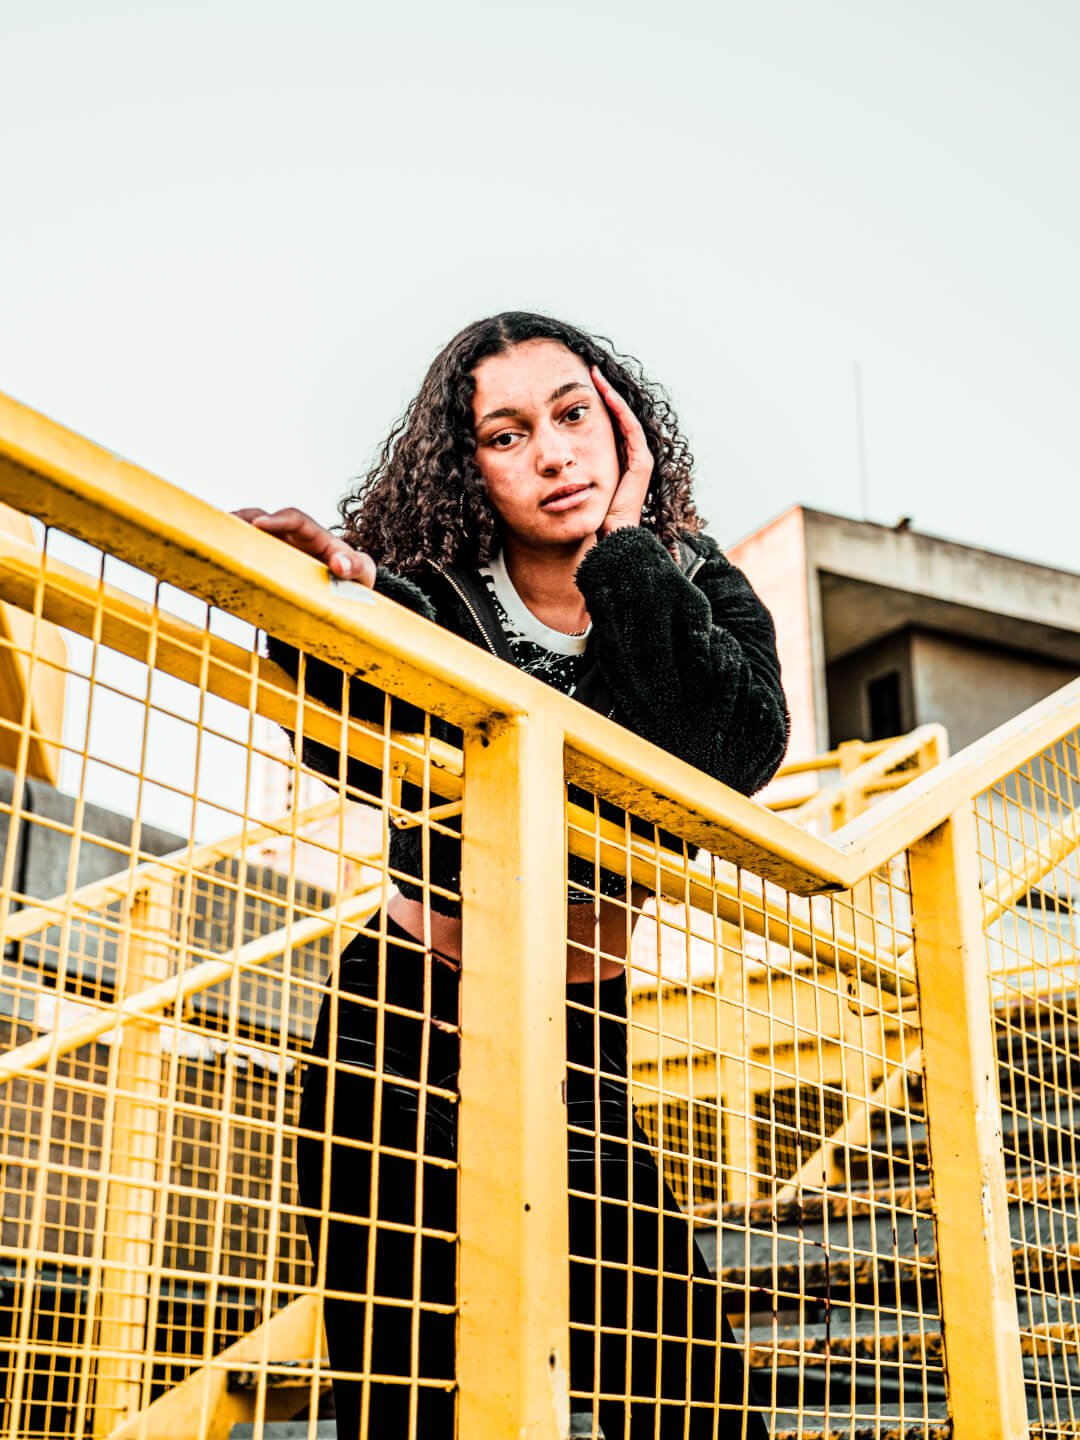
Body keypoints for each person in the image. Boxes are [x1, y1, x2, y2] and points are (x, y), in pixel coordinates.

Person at [235, 311, 787, 1439]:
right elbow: (345, 732)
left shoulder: (687, 575)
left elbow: (739, 749)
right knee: (409, 1399)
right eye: (508, 432)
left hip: (583, 1041)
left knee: (692, 1396)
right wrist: (315, 612)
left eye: (574, 414)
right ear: (469, 464)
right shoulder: (436, 590)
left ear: (621, 424)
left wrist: (626, 545)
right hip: (402, 1024)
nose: (553, 452)